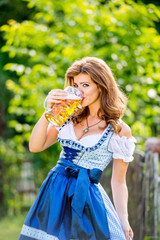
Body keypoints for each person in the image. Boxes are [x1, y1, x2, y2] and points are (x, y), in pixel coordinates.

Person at [19, 57, 136, 240]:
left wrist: (124, 219)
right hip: (55, 191)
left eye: (85, 85)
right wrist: (48, 112)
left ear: (101, 86)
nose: (79, 91)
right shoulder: (67, 116)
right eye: (75, 85)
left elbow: (118, 182)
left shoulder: (118, 130)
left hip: (87, 197)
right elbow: (35, 146)